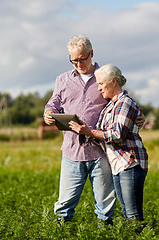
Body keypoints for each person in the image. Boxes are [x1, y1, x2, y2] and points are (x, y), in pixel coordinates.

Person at [44, 35, 144, 225]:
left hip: (101, 151)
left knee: (105, 205)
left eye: (82, 59)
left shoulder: (104, 76)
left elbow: (123, 101)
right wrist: (48, 113)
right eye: (74, 60)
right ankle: (60, 233)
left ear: (91, 54)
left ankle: (104, 232)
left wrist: (140, 116)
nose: (79, 64)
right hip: (72, 151)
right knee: (65, 203)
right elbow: (53, 103)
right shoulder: (63, 80)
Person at [69, 64, 148, 221]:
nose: (98, 88)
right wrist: (81, 130)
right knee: (127, 213)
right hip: (118, 165)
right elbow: (103, 135)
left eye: (101, 84)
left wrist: (89, 132)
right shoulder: (109, 106)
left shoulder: (125, 103)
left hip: (129, 162)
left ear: (113, 82)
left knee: (133, 215)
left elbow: (117, 134)